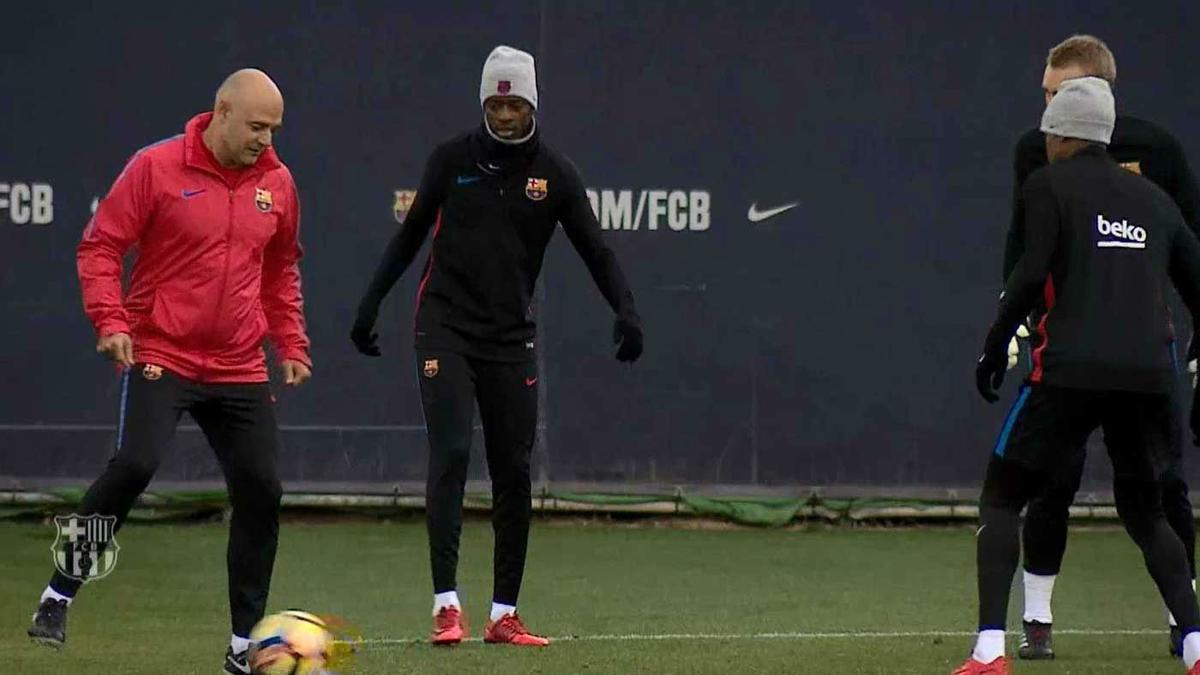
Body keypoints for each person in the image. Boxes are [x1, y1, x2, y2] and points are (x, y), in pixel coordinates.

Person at [351, 45, 642, 647]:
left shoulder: (554, 174)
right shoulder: (451, 160)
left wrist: (626, 309)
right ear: (482, 102)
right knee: (452, 452)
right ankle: (446, 605)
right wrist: (370, 303)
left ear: (531, 103)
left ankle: (502, 613)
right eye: (494, 102)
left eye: (514, 102)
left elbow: (595, 248)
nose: (504, 114)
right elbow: (409, 239)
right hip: (446, 327)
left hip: (511, 337)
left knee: (513, 470)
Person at [26, 69, 312, 675]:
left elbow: (280, 269)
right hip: (161, 351)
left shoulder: (279, 185)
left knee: (263, 490)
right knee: (133, 465)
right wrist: (112, 320)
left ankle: (242, 647)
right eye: (257, 126)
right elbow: (101, 246)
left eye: (275, 129)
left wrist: (290, 341)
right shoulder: (155, 167)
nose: (266, 139)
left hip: (238, 363)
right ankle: (58, 595)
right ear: (222, 112)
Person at [958, 77, 1200, 675]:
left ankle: (990, 650)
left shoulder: (1046, 185)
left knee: (1003, 497)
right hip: (1147, 376)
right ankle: (1196, 645)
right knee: (1147, 513)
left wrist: (993, 347)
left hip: (1066, 370)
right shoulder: (1157, 203)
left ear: (1061, 136)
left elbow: (1029, 272)